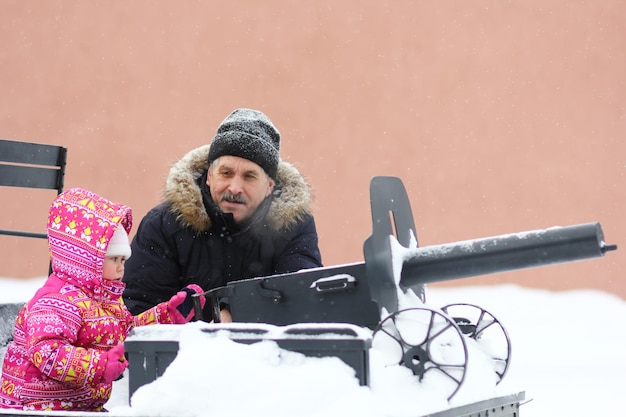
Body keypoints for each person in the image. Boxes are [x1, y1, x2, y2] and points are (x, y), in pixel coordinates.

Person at [0, 188, 205, 412]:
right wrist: (99, 365)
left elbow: (126, 331)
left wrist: (167, 316)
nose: (121, 267)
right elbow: (47, 352)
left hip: (79, 405)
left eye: (123, 259)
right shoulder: (55, 302)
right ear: (87, 259)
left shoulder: (104, 301)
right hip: (36, 407)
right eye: (113, 259)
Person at [122, 108, 323, 320]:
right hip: (181, 352)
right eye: (226, 173)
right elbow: (138, 312)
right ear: (209, 175)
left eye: (249, 177)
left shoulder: (294, 226)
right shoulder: (164, 224)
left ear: (269, 187)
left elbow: (302, 300)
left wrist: (237, 310)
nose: (235, 187)